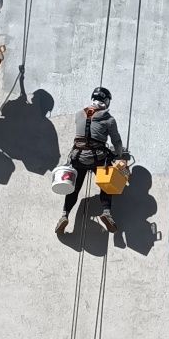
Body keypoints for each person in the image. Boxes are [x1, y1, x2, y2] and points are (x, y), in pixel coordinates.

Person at [56, 87, 128, 236]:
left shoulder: (78, 114)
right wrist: (119, 154)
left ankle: (64, 215)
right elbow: (117, 142)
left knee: (74, 188)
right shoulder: (109, 119)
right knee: (106, 183)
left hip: (78, 157)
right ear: (106, 101)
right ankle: (106, 212)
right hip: (97, 157)